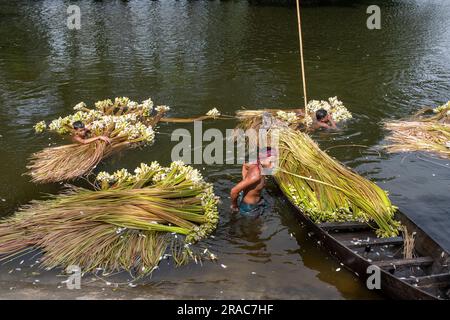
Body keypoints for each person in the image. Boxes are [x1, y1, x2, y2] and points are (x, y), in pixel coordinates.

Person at [230, 147, 276, 216]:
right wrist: (234, 206)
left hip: (258, 201)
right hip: (249, 208)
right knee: (258, 226)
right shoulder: (256, 176)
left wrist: (245, 180)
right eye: (271, 162)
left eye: (275, 162)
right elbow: (234, 191)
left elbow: (245, 165)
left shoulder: (255, 164)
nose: (274, 165)